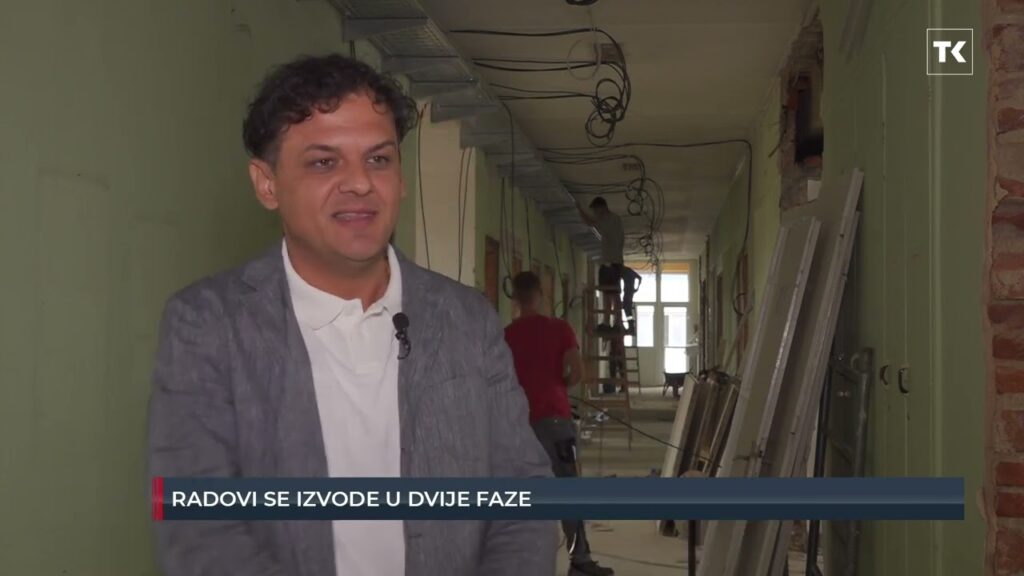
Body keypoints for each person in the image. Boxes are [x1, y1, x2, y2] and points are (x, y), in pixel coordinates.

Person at [147, 54, 555, 576]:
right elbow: (200, 533)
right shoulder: (207, 325)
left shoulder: (467, 320)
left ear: (400, 178)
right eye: (324, 163)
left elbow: (521, 497)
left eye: (379, 159)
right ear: (267, 183)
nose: (360, 183)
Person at [504, 271, 616, 576]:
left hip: (520, 425)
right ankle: (579, 560)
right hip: (555, 420)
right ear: (540, 295)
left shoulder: (506, 335)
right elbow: (577, 372)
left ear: (515, 298)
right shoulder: (559, 329)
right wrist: (558, 385)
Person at [576, 196, 625, 326]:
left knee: (611, 293)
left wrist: (579, 209)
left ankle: (613, 321)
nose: (596, 214)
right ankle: (612, 321)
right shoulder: (614, 219)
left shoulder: (610, 220)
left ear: (601, 207)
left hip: (612, 262)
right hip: (613, 262)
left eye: (596, 211)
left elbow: (589, 222)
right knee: (610, 293)